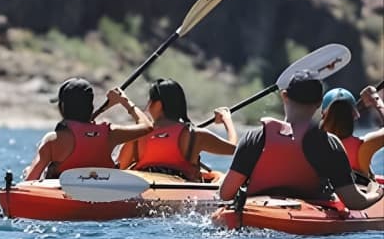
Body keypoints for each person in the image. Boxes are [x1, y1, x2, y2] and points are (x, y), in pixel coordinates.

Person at [219, 71, 384, 211]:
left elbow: (225, 194)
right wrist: (378, 192)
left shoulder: (254, 137)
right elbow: (354, 202)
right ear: (319, 103)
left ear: (284, 96)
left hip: (255, 214)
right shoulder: (328, 143)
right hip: (305, 221)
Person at [23, 77, 155, 180]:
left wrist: (28, 172)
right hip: (105, 197)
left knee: (29, 171)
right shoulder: (110, 133)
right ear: (90, 107)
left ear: (62, 107)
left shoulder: (53, 140)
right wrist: (125, 102)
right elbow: (147, 126)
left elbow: (30, 180)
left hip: (63, 199)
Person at [116, 78, 237, 181]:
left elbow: (117, 169)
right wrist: (227, 119)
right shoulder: (195, 135)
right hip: (183, 197)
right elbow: (234, 149)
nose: (148, 106)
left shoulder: (137, 134)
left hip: (145, 193)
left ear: (158, 104)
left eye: (150, 101)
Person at [320, 86, 384, 181]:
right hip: (361, 194)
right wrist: (375, 100)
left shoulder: (313, 146)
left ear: (323, 115)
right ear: (355, 115)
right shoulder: (363, 146)